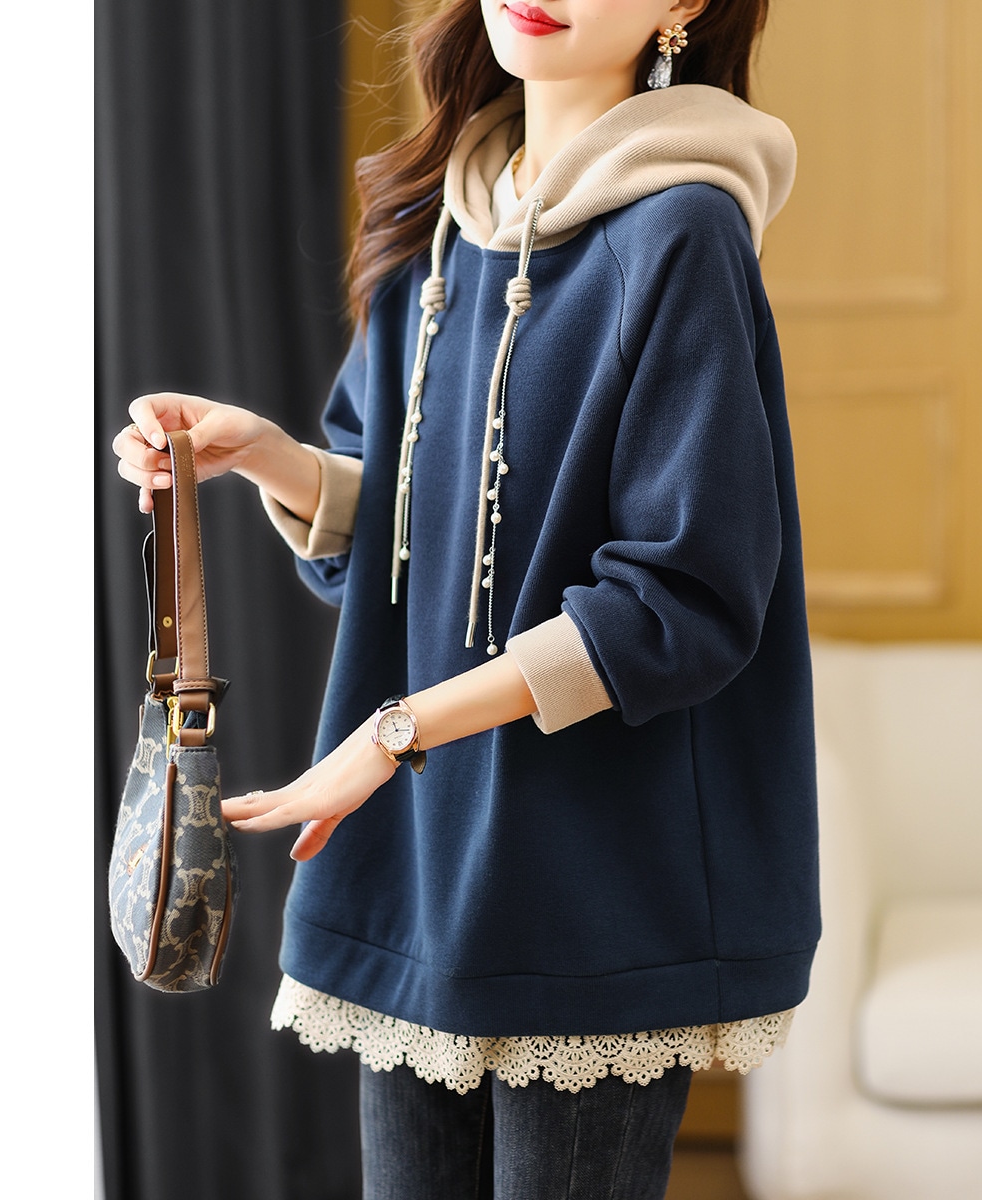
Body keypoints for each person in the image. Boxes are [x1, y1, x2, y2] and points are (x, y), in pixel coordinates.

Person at [112, 1, 819, 1195]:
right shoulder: (439, 220)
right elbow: (403, 544)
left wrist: (392, 735)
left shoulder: (683, 233)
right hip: (421, 871)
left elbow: (684, 600)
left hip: (599, 886)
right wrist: (272, 458)